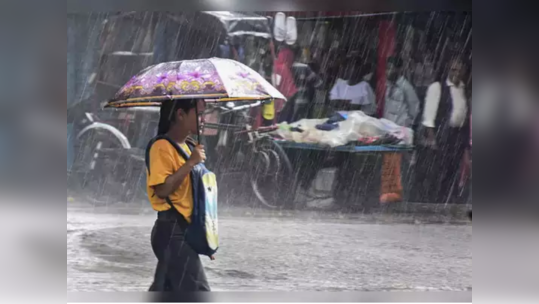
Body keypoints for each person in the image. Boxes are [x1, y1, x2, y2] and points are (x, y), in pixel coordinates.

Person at [147, 99, 211, 292]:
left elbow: (193, 198)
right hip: (171, 232)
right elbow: (163, 190)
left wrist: (206, 238)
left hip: (185, 232)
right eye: (198, 114)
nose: (203, 119)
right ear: (180, 115)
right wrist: (190, 163)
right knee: (198, 291)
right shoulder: (161, 147)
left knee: (164, 290)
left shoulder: (190, 145)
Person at [421, 57, 470, 204]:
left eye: (459, 70)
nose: (456, 73)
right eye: (453, 70)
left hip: (458, 136)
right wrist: (432, 139)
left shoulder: (464, 89)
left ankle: (449, 202)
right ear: (448, 69)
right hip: (443, 135)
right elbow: (429, 117)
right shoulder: (437, 88)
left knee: (453, 171)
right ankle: (436, 202)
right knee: (439, 173)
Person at [380, 57, 421, 204]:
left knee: (398, 164)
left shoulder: (406, 87)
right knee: (388, 163)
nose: (389, 71)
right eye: (387, 68)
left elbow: (414, 109)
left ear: (399, 69)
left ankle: (398, 195)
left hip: (401, 132)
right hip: (389, 131)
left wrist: (406, 126)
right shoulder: (389, 85)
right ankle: (388, 194)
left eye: (392, 68)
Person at [274, 47, 323, 123]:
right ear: (299, 55)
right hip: (301, 104)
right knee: (299, 127)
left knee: (285, 126)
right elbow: (318, 84)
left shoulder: (281, 67)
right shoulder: (304, 68)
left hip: (285, 104)